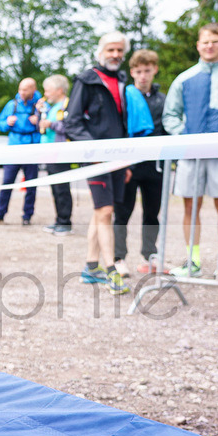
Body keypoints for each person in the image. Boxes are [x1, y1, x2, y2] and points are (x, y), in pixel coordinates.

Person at [65, 32, 153, 296]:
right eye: (110, 50)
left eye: (119, 50)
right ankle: (111, 270)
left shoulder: (122, 80)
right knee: (105, 212)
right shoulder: (86, 79)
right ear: (101, 51)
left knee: (101, 212)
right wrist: (93, 150)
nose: (115, 54)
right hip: (95, 159)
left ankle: (91, 269)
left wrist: (125, 162)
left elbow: (123, 124)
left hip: (118, 158)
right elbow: (72, 122)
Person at [162, 22, 218, 281]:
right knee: (190, 206)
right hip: (191, 153)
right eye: (205, 41)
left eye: (215, 40)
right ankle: (193, 261)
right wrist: (186, 137)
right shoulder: (184, 78)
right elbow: (170, 115)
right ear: (198, 45)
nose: (209, 45)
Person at [116, 49, 167, 276]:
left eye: (147, 70)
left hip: (155, 166)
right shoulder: (125, 97)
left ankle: (150, 255)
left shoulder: (163, 99)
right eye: (138, 71)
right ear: (132, 72)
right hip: (128, 164)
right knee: (122, 211)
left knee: (152, 213)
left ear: (155, 70)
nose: (143, 76)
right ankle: (118, 257)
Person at [0, 78, 40, 225]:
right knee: (7, 183)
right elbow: (0, 123)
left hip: (31, 149)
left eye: (25, 90)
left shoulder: (40, 105)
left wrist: (39, 120)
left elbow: (48, 125)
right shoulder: (12, 105)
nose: (21, 92)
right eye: (20, 89)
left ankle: (27, 216)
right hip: (14, 148)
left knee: (31, 185)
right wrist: (6, 123)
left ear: (33, 90)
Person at [37, 75, 74, 236]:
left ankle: (65, 222)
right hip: (49, 153)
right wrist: (40, 113)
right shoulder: (51, 107)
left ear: (59, 90)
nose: (46, 94)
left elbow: (70, 127)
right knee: (55, 188)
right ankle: (59, 219)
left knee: (62, 189)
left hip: (61, 153)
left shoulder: (68, 105)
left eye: (48, 90)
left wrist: (51, 124)